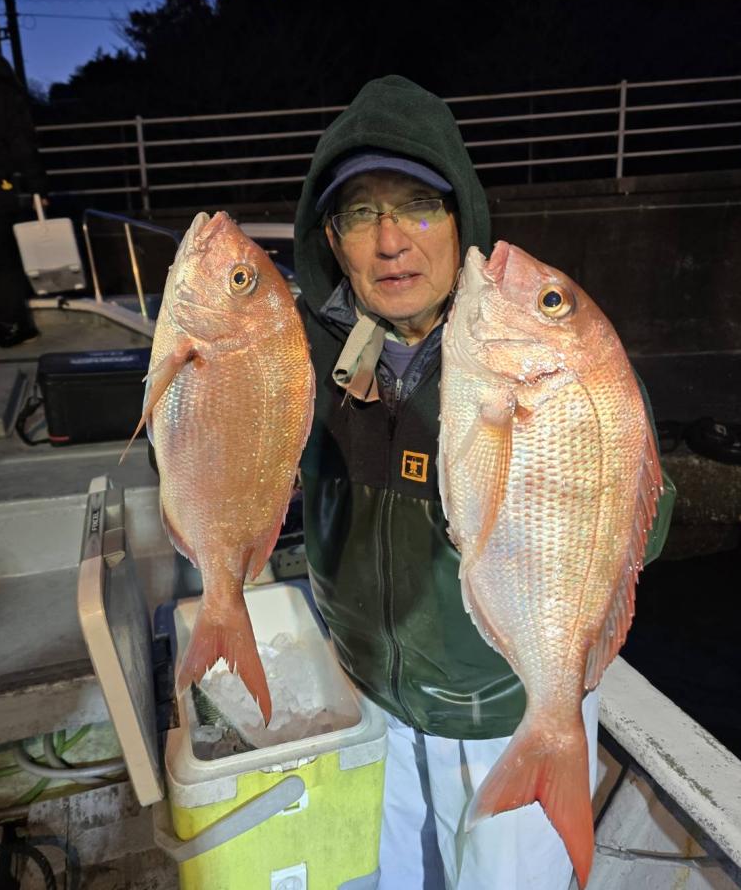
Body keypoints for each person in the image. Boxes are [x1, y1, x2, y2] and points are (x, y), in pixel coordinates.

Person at [292, 75, 676, 890]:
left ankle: (555, 743)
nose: (390, 241)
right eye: (360, 213)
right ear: (331, 237)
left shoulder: (553, 372)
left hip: (502, 712)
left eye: (418, 207)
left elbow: (645, 529)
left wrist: (609, 445)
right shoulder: (306, 351)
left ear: (462, 216)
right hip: (367, 696)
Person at [0, 54, 47, 348]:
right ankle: (12, 325)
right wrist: (38, 187)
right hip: (0, 186)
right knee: (4, 261)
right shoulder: (4, 92)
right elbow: (21, 143)